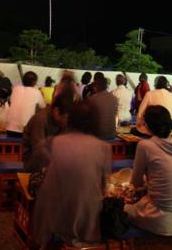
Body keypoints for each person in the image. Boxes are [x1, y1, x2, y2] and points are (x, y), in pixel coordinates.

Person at [32, 101, 112, 248]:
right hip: (86, 221)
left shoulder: (54, 142)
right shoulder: (104, 148)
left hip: (52, 215)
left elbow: (40, 165)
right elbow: (103, 188)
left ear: (70, 119)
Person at [125, 105, 172, 236]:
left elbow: (135, 183)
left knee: (119, 208)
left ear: (147, 125)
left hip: (160, 219)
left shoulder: (145, 146)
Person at [22, 94, 72, 172]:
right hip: (33, 161)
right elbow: (38, 149)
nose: (66, 121)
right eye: (65, 118)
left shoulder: (62, 122)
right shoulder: (40, 119)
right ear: (56, 111)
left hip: (52, 159)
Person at [5, 71, 46, 136]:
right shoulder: (37, 92)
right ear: (34, 82)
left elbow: (11, 101)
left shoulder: (15, 89)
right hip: (25, 131)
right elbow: (44, 108)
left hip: (9, 129)